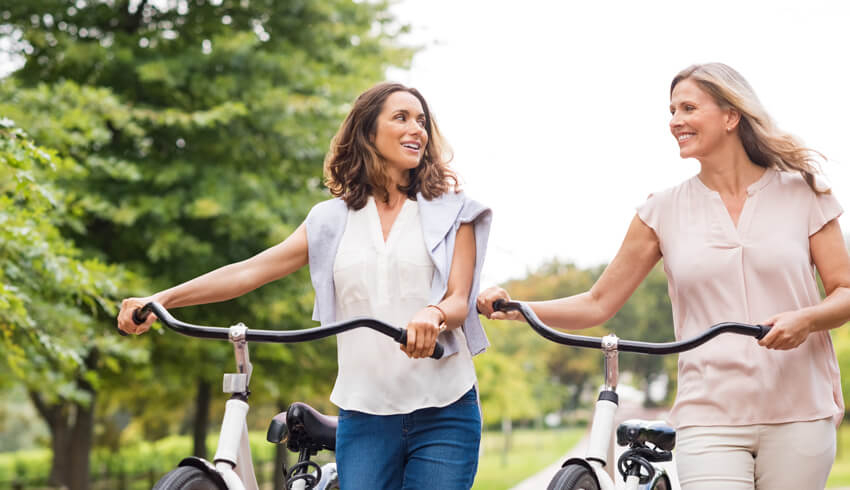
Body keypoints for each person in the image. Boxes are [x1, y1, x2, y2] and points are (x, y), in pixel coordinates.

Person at [477, 63, 850, 490]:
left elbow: (845, 291)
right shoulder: (661, 212)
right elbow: (599, 302)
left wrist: (806, 320)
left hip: (800, 412)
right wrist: (520, 309)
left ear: (731, 116)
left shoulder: (803, 192)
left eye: (688, 108)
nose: (675, 121)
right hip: (709, 416)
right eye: (671, 111)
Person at [118, 82, 492, 489]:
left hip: (444, 410)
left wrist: (432, 314)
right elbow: (251, 271)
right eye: (401, 118)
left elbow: (459, 299)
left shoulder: (453, 212)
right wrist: (162, 298)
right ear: (368, 132)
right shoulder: (331, 220)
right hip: (364, 413)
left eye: (421, 120)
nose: (416, 129)